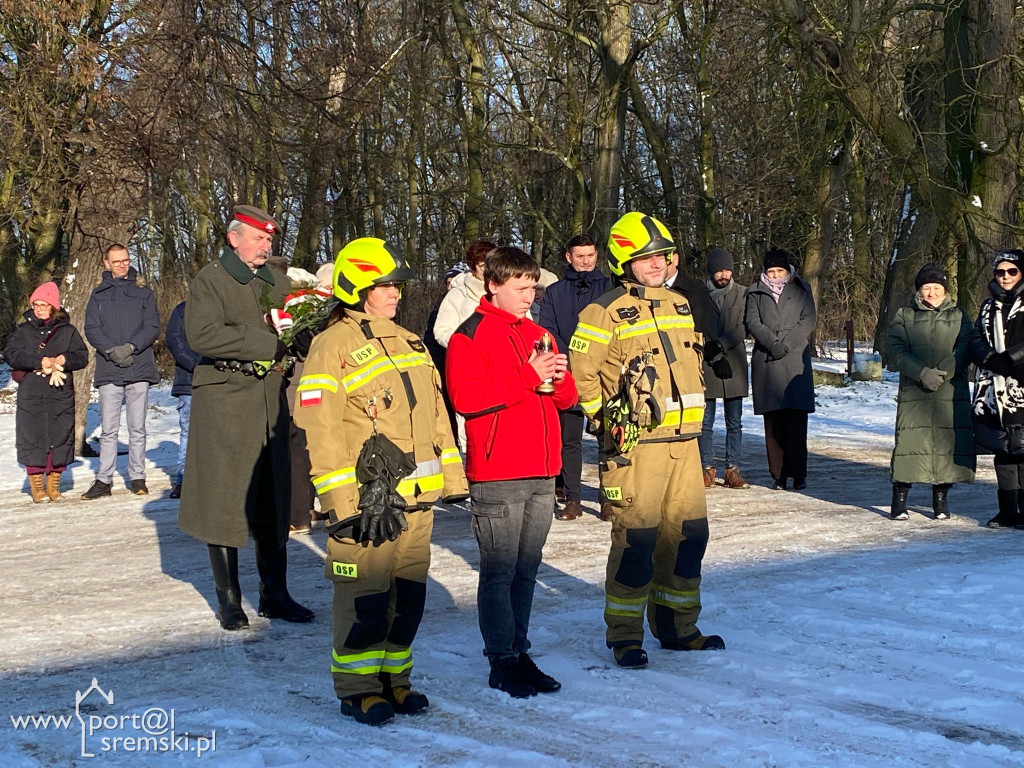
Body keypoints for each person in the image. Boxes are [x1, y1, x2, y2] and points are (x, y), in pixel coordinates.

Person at [294, 238, 468, 725]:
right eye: (385, 286)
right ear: (358, 289)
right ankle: (357, 690)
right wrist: (340, 502)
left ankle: (397, 681)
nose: (395, 293)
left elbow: (438, 419)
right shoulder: (332, 347)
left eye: (396, 285)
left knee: (408, 598)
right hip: (369, 504)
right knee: (364, 599)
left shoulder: (411, 341)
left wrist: (450, 479)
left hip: (415, 503)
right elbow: (320, 429)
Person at [570, 212, 723, 670]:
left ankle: (679, 627)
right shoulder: (603, 310)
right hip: (637, 448)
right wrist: (606, 421)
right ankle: (624, 636)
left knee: (688, 537)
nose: (654, 264)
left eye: (660, 255)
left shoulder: (680, 303)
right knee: (636, 541)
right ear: (625, 262)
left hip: (685, 442)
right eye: (644, 257)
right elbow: (582, 374)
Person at [447, 246, 577, 698]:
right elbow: (466, 398)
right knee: (499, 571)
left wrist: (560, 377)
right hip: (498, 472)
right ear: (493, 285)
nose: (529, 296)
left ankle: (520, 652)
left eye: (533, 287)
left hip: (543, 470)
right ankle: (500, 659)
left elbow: (565, 400)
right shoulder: (470, 335)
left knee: (526, 569)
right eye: (520, 288)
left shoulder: (540, 333)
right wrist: (527, 374)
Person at [178, 205, 314, 632]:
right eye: (259, 238)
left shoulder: (275, 279)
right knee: (225, 501)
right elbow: (201, 335)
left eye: (269, 240)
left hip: (268, 399)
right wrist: (264, 344)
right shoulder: (210, 279)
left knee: (273, 500)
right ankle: (230, 600)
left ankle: (276, 595)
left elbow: (288, 323)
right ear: (234, 238)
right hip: (225, 403)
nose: (266, 246)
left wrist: (303, 333)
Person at [885, 263, 975, 520]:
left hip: (949, 390)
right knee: (910, 445)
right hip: (915, 390)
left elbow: (966, 347)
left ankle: (941, 499)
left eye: (936, 287)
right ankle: (900, 498)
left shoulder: (959, 315)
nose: (931, 293)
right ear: (918, 290)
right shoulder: (904, 315)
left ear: (945, 290)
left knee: (946, 446)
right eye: (926, 287)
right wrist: (922, 372)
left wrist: (942, 374)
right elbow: (895, 347)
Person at [538, 234, 610, 521]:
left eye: (590, 255)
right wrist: (570, 359)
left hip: (603, 376)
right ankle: (572, 499)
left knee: (608, 440)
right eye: (580, 256)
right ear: (569, 258)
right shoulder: (555, 292)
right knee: (569, 441)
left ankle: (607, 499)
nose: (586, 261)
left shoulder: (609, 288)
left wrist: (593, 360)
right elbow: (548, 330)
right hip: (566, 375)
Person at [81, 244, 160, 499]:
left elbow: (152, 326)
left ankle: (138, 477)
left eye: (125, 260)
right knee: (108, 429)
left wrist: (131, 347)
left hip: (139, 365)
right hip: (108, 366)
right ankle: (103, 480)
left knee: (137, 427)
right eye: (117, 262)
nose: (122, 265)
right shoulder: (98, 294)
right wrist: (111, 351)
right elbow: (92, 329)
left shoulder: (144, 292)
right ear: (107, 263)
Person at [3, 282, 88, 502]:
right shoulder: (23, 330)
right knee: (32, 436)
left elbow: (82, 357)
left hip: (59, 393)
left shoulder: (68, 331)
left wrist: (66, 359)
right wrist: (38, 361)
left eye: (44, 304)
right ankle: (37, 484)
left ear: (53, 306)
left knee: (60, 435)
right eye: (36, 304)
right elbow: (11, 354)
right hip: (31, 392)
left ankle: (54, 482)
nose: (39, 308)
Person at [744, 248, 816, 491]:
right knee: (773, 423)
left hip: (795, 359)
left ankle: (799, 474)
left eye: (779, 271)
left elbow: (808, 319)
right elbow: (752, 321)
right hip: (767, 360)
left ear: (788, 270)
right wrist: (772, 343)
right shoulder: (754, 292)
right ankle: (778, 475)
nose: (775, 276)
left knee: (796, 421)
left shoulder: (801, 288)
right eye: (771, 271)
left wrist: (787, 344)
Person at [969, 249, 1024, 529]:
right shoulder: (987, 306)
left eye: (1011, 271)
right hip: (993, 390)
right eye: (1000, 272)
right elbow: (975, 337)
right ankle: (1007, 510)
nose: (1005, 277)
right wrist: (989, 359)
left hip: (1021, 386)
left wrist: (1010, 360)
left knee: (1023, 449)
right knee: (1002, 450)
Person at [697, 247, 750, 489]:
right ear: (711, 271)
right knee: (704, 421)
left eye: (728, 269)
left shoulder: (743, 294)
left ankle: (733, 469)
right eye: (719, 270)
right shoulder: (698, 294)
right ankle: (706, 467)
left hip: (735, 363)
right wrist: (711, 349)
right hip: (706, 362)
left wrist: (722, 343)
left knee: (735, 422)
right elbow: (694, 325)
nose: (724, 274)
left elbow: (744, 326)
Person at [424, 261, 470, 437]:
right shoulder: (439, 308)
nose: (451, 285)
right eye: (448, 281)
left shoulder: (470, 303)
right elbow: (431, 340)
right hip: (444, 366)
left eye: (455, 280)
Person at [432, 240, 496, 348]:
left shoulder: (506, 289)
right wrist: (468, 343)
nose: (488, 270)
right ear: (473, 267)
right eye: (483, 266)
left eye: (492, 265)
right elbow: (442, 331)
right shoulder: (458, 293)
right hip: (470, 357)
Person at [165, 301, 200, 500]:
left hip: (220, 379)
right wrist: (196, 364)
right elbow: (174, 340)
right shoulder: (182, 310)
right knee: (188, 431)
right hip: (189, 380)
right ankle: (183, 480)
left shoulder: (222, 305)